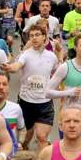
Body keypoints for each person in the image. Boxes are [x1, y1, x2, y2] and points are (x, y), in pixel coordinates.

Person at [3, 24, 57, 152]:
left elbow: (57, 74)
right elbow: (17, 66)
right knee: (27, 136)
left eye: (37, 35)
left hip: (44, 103)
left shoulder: (51, 56)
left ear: (44, 37)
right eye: (31, 36)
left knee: (42, 137)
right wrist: (10, 68)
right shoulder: (26, 54)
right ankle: (25, 150)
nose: (34, 38)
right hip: (26, 102)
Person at [46, 33, 81, 142]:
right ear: (75, 48)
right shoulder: (65, 67)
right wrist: (68, 92)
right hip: (68, 119)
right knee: (68, 154)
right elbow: (47, 92)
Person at [0, 71, 25, 155]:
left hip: (9, 157)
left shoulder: (16, 108)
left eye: (4, 84)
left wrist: (20, 143)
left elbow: (22, 129)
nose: (1, 87)